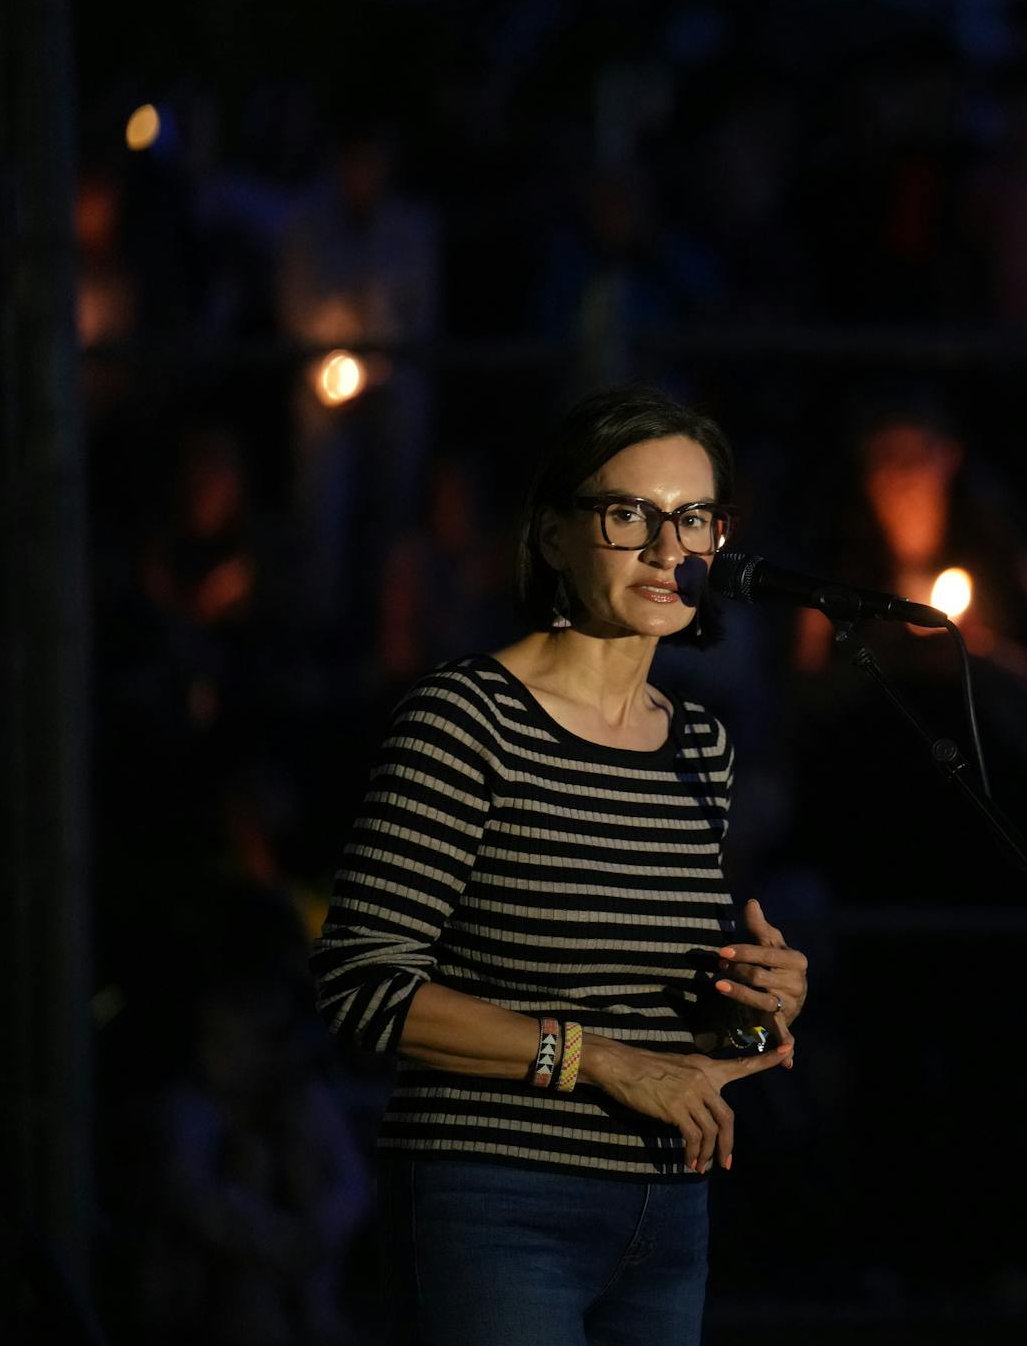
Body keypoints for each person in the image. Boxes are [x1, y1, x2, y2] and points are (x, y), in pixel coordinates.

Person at [308, 389, 810, 1346]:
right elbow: (362, 984)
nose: (666, 549)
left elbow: (663, 1010)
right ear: (552, 536)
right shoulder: (468, 719)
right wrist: (601, 1060)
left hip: (668, 1206)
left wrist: (757, 1002)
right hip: (497, 1201)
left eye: (694, 519)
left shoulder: (701, 745)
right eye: (629, 514)